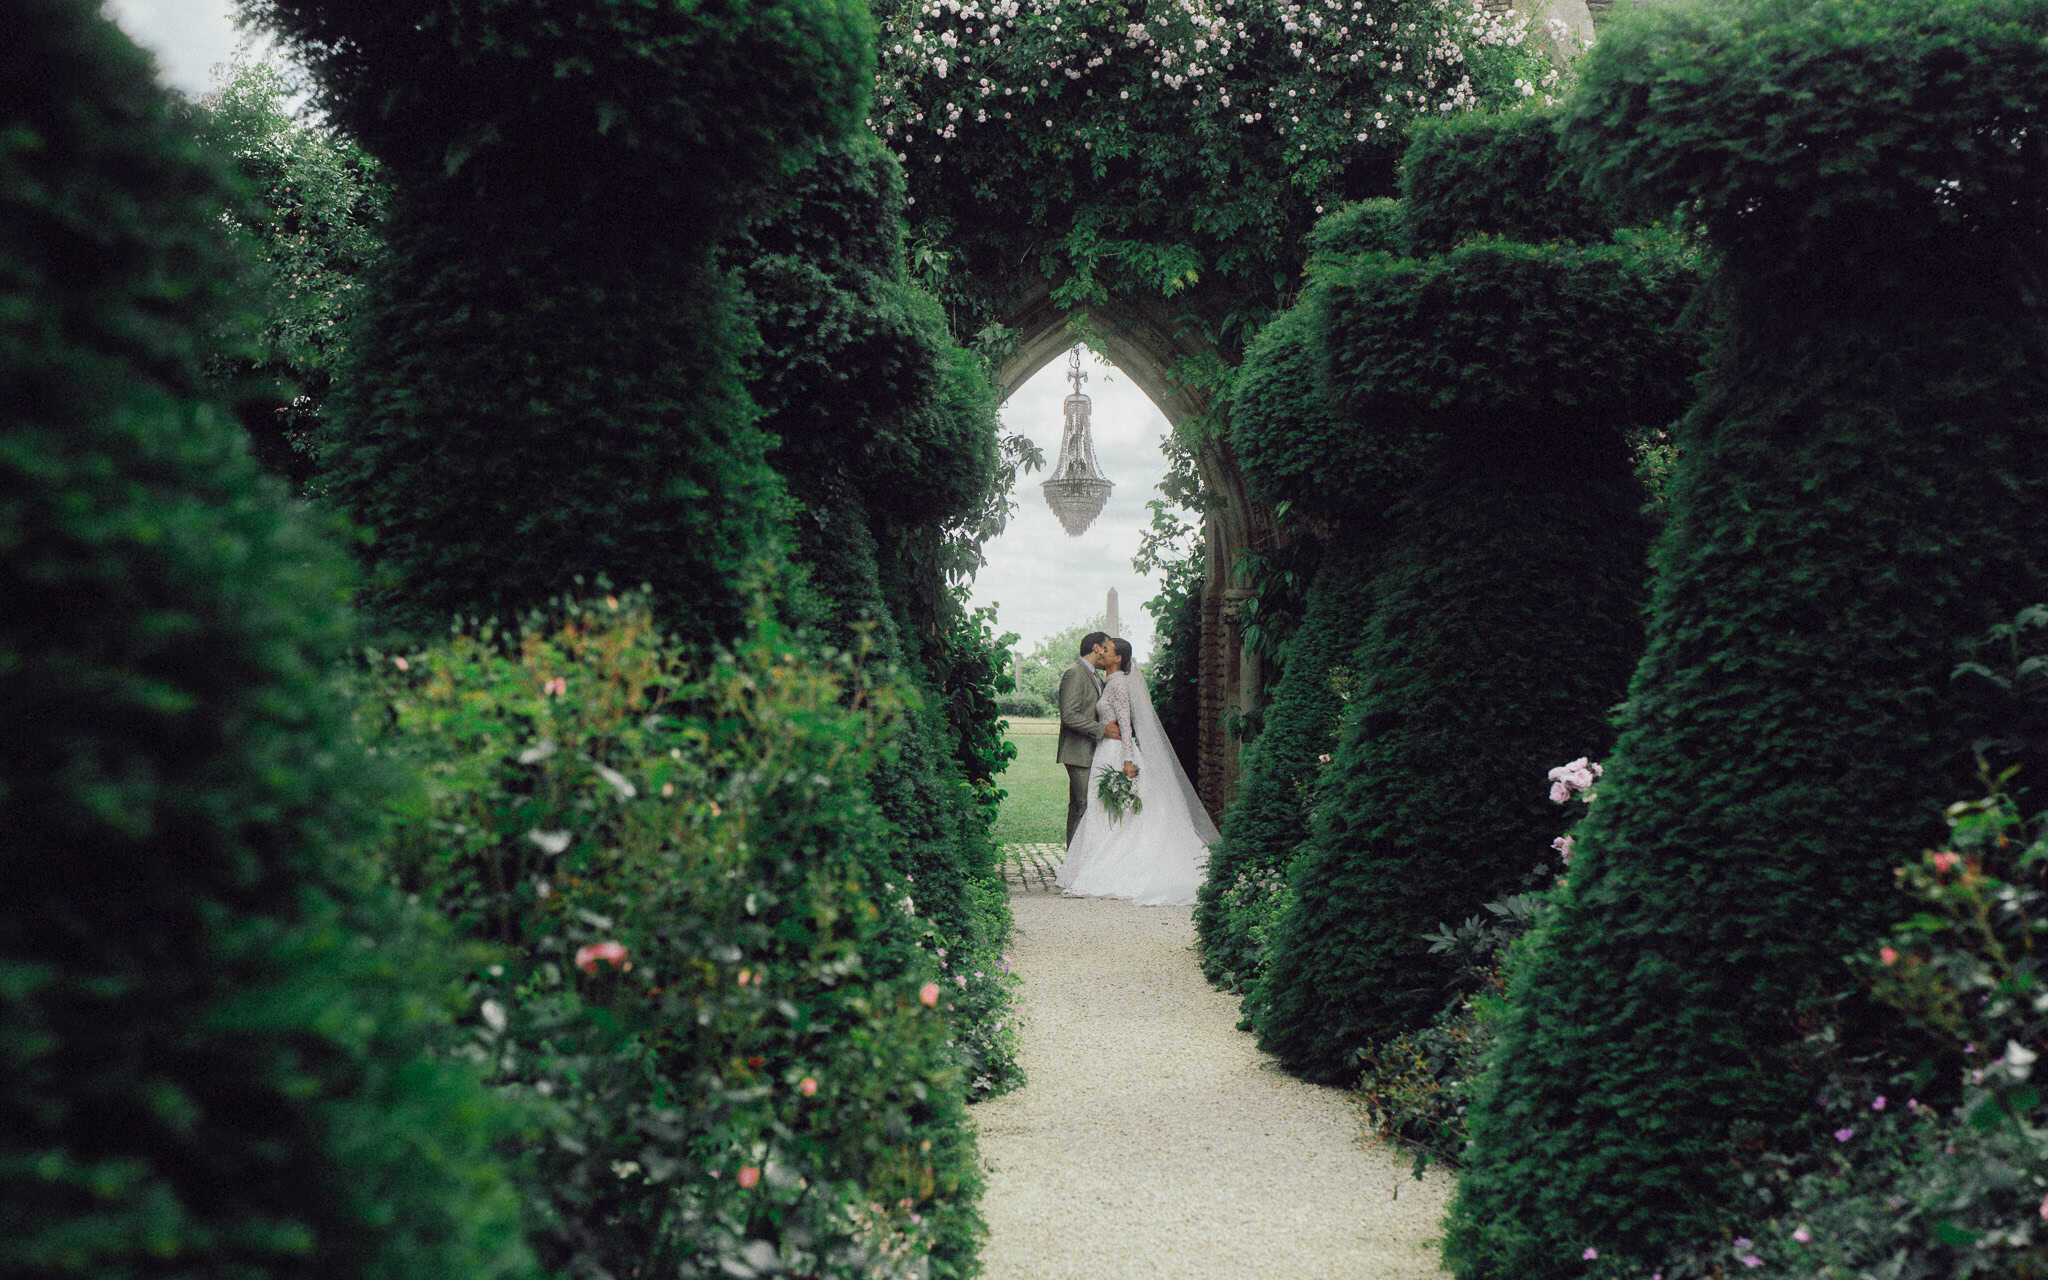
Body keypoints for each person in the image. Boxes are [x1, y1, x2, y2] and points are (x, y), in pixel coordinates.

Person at [1056, 637, 1220, 906]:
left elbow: (1125, 724)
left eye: (1107, 650)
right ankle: (1087, 866)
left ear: (1118, 658)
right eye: (1102, 648)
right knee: (1097, 810)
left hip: (1116, 752)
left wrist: (1128, 761)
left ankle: (1104, 867)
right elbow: (1075, 713)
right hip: (1103, 751)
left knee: (1107, 811)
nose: (1102, 652)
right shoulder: (1103, 679)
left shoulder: (1118, 683)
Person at [1056, 631, 1119, 846]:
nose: (1108, 653)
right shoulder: (1074, 673)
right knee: (1083, 806)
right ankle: (1074, 866)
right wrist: (1102, 730)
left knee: (1082, 806)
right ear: (1096, 648)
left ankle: (1077, 862)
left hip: (1093, 751)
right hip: (1078, 752)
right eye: (1107, 648)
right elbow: (1069, 715)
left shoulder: (1095, 676)